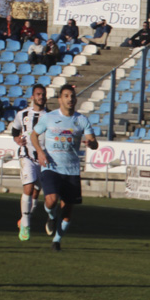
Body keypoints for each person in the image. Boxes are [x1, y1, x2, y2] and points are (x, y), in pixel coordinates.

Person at [30, 85, 99, 252]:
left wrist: (91, 144)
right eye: (66, 96)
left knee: (67, 210)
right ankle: (52, 217)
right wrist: (40, 152)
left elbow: (94, 142)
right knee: (51, 200)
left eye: (72, 96)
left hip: (72, 170)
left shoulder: (81, 120)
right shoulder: (49, 117)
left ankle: (57, 241)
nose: (70, 99)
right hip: (51, 166)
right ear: (60, 99)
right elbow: (34, 135)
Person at [11, 84, 47, 241]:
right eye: (38, 94)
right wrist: (16, 139)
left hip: (43, 157)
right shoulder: (22, 114)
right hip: (26, 154)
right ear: (32, 97)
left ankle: (24, 219)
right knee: (29, 186)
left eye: (43, 94)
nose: (40, 96)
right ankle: (26, 223)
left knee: (35, 194)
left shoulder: (50, 116)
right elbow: (14, 130)